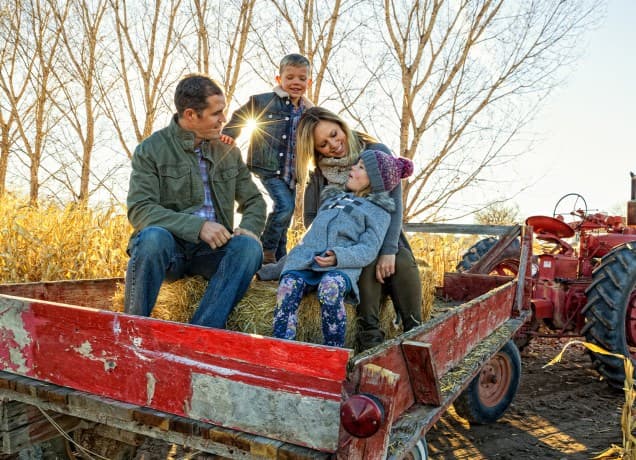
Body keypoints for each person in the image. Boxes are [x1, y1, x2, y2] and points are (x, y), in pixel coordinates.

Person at [124, 74, 266, 329]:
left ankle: (202, 333)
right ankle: (132, 329)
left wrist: (249, 229)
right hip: (171, 251)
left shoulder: (228, 151)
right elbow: (140, 209)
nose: (224, 119)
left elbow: (255, 201)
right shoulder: (151, 149)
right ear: (190, 115)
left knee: (248, 248)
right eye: (216, 113)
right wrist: (197, 227)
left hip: (211, 254)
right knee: (152, 238)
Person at [296, 106, 423, 352]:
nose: (333, 145)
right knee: (362, 263)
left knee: (400, 260)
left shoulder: (375, 154)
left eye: (334, 134)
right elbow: (310, 217)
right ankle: (370, 346)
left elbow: (394, 206)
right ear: (315, 150)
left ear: (340, 125)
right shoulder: (319, 174)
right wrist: (335, 232)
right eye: (323, 144)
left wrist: (387, 250)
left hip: (385, 236)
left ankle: (416, 335)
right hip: (344, 247)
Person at [273, 150, 414, 347]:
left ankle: (333, 350)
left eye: (361, 167)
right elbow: (309, 238)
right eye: (355, 164)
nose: (352, 168)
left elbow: (368, 249)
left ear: (374, 180)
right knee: (287, 286)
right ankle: (281, 346)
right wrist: (282, 265)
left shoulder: (379, 213)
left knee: (330, 288)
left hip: (340, 268)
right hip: (308, 263)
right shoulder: (331, 201)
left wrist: (338, 257)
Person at [221, 53, 313, 264]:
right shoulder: (264, 101)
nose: (295, 82)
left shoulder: (310, 111)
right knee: (285, 206)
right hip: (269, 166)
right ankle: (267, 249)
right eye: (290, 77)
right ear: (279, 79)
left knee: (285, 214)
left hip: (293, 171)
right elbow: (242, 115)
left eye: (301, 78)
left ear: (308, 82)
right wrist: (231, 133)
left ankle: (279, 258)